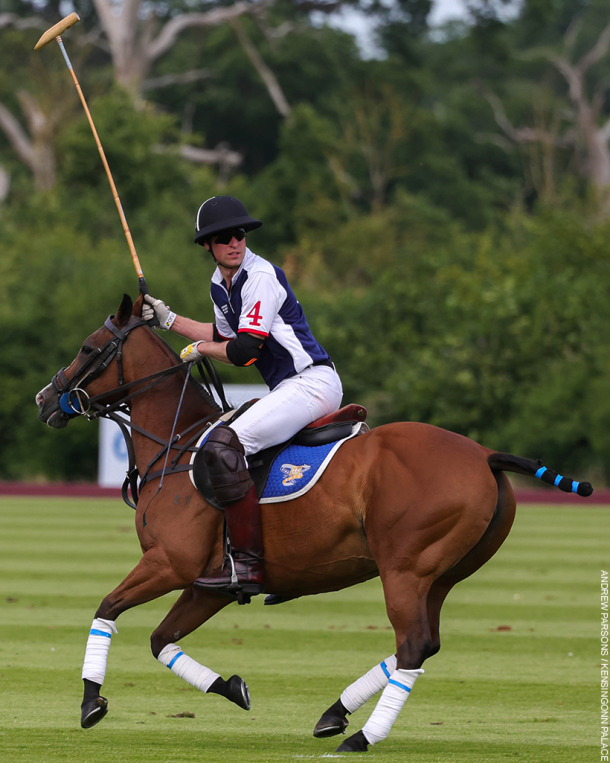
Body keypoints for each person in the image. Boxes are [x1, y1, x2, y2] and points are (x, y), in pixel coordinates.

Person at [142, 196, 343, 600]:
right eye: (223, 237)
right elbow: (222, 337)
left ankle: (248, 564)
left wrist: (198, 352)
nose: (235, 242)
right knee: (225, 443)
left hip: (311, 383)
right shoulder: (220, 284)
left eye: (239, 234)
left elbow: (243, 351)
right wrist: (169, 320)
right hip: (289, 388)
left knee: (224, 444)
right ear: (207, 246)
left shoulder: (261, 277)